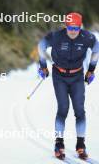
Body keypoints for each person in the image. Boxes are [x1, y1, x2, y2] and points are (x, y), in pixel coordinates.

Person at [37, 12, 99, 160]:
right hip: (59, 76)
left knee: (79, 110)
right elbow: (41, 46)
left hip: (77, 76)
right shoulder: (57, 36)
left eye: (76, 28)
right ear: (65, 26)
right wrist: (43, 66)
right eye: (70, 27)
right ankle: (59, 144)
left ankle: (80, 144)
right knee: (63, 109)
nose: (73, 31)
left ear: (80, 26)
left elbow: (96, 49)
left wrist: (91, 70)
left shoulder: (87, 37)